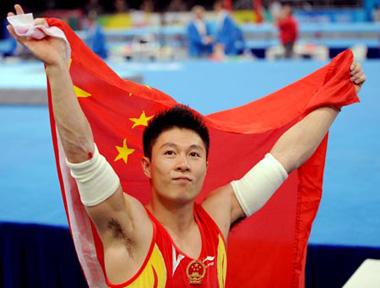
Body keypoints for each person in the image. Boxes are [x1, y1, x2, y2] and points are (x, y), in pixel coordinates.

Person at [7, 4, 366, 287]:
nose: (183, 162)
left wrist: (335, 98)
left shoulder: (218, 213)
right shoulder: (128, 227)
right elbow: (81, 154)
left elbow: (286, 157)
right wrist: (57, 69)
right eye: (169, 152)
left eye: (194, 154)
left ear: (206, 167)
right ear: (147, 166)